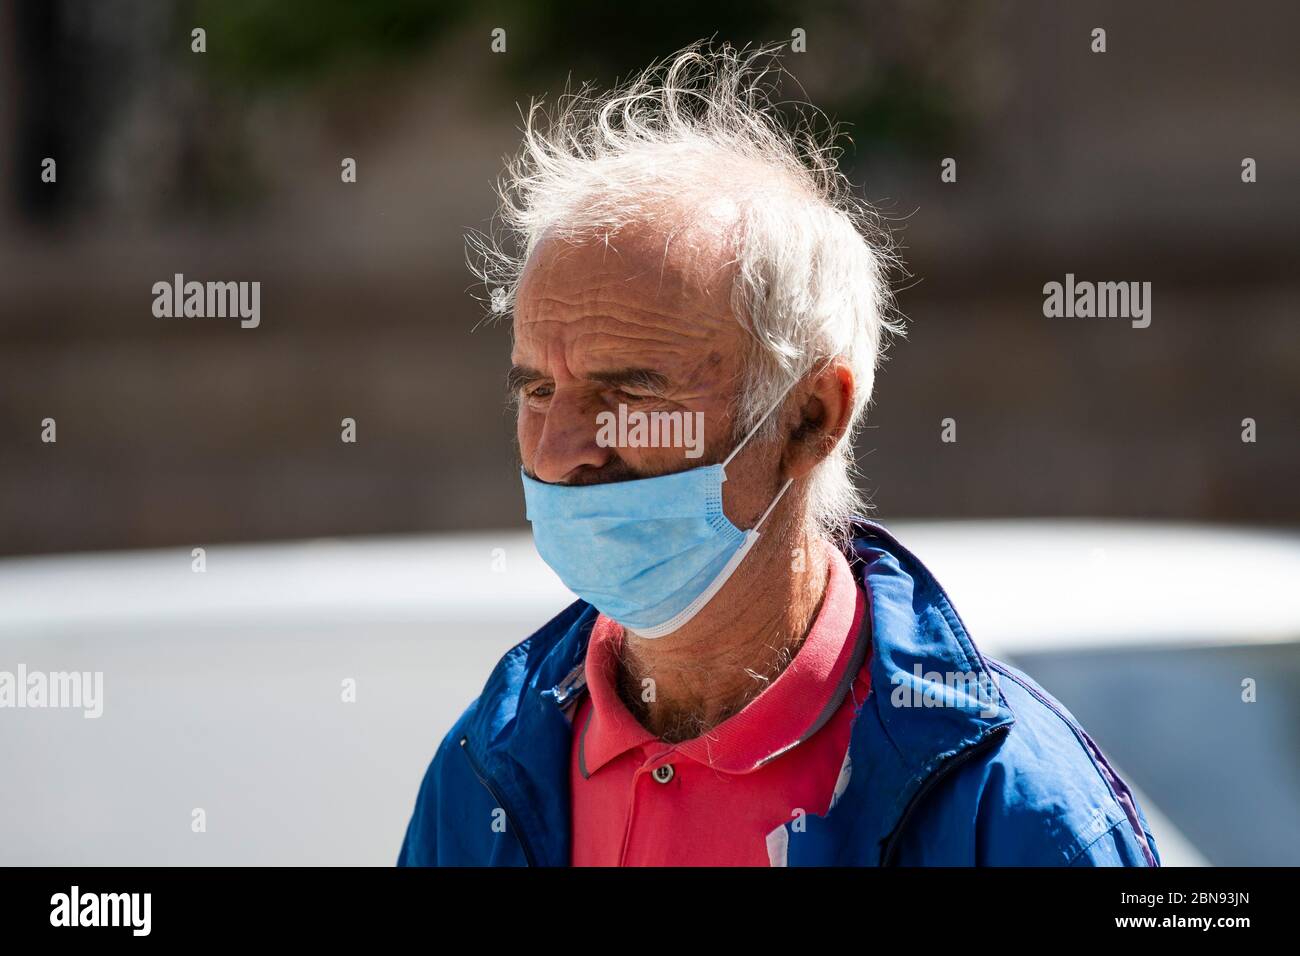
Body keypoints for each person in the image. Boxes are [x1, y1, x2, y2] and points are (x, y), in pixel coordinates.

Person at [398, 40, 1160, 867]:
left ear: (809, 418)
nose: (562, 450)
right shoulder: (487, 772)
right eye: (537, 391)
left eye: (632, 394)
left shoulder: (1006, 804)